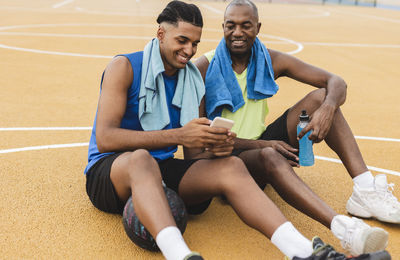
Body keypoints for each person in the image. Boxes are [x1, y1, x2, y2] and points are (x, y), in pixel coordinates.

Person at [84, 1, 389, 260]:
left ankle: (305, 252)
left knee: (230, 167)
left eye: (195, 43)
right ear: (161, 33)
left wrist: (216, 145)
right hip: (111, 171)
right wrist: (180, 135)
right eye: (181, 41)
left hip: (160, 169)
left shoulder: (189, 77)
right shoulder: (124, 67)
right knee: (141, 160)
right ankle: (182, 255)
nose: (189, 50)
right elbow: (106, 137)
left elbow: (194, 156)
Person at [194, 0, 398, 256]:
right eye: (231, 25)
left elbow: (335, 82)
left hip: (259, 145)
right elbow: (201, 146)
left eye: (246, 26)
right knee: (269, 153)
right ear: (222, 27)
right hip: (225, 157)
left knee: (321, 98)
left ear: (257, 27)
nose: (237, 32)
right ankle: (344, 229)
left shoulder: (268, 59)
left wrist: (327, 108)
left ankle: (365, 188)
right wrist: (263, 145)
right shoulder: (203, 68)